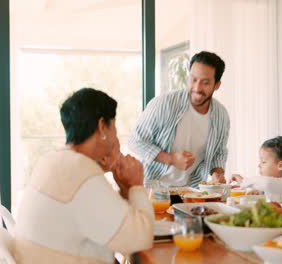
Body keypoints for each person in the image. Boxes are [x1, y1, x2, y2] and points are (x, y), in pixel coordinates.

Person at [14, 88, 154, 264]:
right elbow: (140, 238)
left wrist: (126, 188)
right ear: (102, 126)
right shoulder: (80, 170)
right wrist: (136, 185)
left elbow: (115, 227)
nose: (116, 134)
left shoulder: (52, 161)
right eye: (114, 125)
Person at [128, 51, 230, 187]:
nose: (197, 88)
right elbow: (135, 141)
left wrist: (217, 173)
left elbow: (219, 152)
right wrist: (171, 159)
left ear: (217, 85)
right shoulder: (164, 103)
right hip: (151, 187)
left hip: (190, 192)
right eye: (193, 79)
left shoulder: (221, 115)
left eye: (205, 83)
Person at [230, 136, 282, 211]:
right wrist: (260, 193)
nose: (259, 165)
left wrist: (243, 181)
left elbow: (268, 183)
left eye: (263, 162)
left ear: (280, 165)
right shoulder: (277, 186)